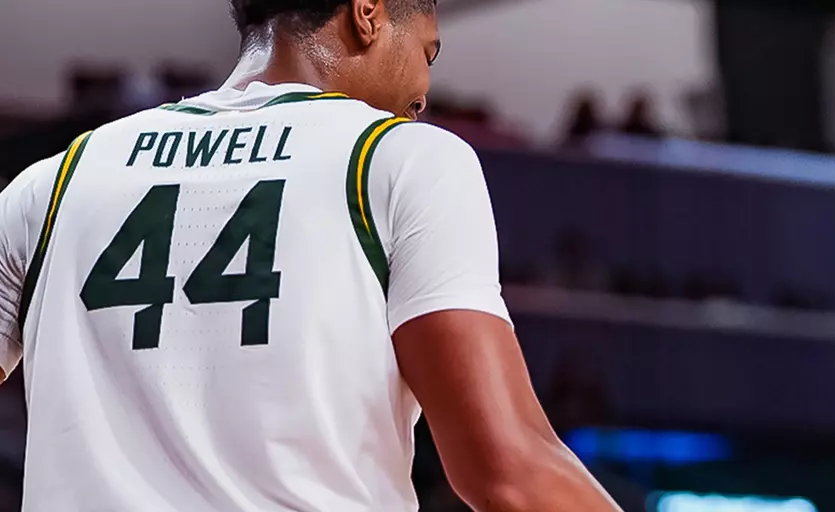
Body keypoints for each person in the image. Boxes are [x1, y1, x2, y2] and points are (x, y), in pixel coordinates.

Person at [0, 1, 621, 510]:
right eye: (427, 53)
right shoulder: (402, 159)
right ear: (368, 13)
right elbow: (507, 469)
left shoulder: (53, 182)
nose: (423, 91)